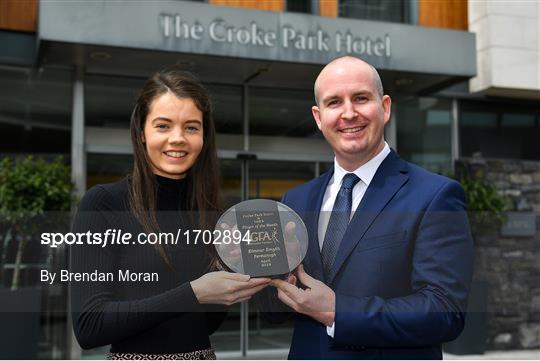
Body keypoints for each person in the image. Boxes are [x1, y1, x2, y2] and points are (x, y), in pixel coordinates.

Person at [270, 56, 474, 359]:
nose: (349, 113)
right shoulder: (295, 201)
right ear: (318, 116)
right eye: (334, 102)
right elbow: (277, 312)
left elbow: (443, 311)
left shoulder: (436, 195)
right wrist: (256, 273)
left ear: (386, 107)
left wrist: (337, 312)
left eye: (361, 98)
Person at [70, 70, 270, 359]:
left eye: (191, 127)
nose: (178, 139)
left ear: (204, 136)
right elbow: (90, 325)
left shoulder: (214, 215)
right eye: (163, 126)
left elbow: (205, 324)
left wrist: (235, 276)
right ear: (141, 131)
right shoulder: (104, 204)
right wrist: (194, 293)